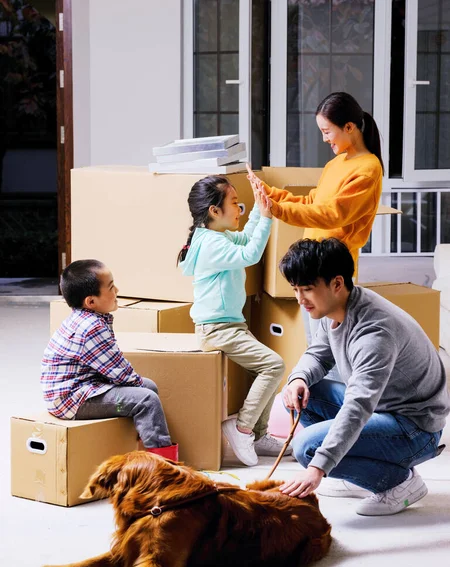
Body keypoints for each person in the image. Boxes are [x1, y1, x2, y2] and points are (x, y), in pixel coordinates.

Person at [277, 238, 449, 516]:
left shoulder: (374, 332)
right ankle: (359, 473)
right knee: (301, 394)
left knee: (308, 447)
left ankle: (399, 483)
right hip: (384, 408)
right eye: (296, 289)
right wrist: (298, 378)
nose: (300, 299)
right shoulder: (332, 307)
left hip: (415, 427)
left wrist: (318, 467)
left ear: (336, 283)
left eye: (307, 289)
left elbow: (357, 407)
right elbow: (319, 354)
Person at [247, 92, 384, 360]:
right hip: (312, 263)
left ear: (349, 127)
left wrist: (276, 209)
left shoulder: (368, 169)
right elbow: (313, 201)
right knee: (315, 348)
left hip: (332, 268)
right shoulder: (336, 164)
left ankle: (338, 401)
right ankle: (317, 400)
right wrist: (270, 193)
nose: (324, 139)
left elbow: (332, 215)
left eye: (327, 131)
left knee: (329, 354)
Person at [178, 175, 288, 467]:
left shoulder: (217, 235)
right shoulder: (212, 244)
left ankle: (259, 433)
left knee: (262, 368)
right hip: (217, 328)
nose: (239, 210)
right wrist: (265, 218)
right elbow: (251, 253)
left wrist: (257, 212)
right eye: (236, 204)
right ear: (215, 211)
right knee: (274, 365)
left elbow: (247, 239)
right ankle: (241, 427)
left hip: (229, 325)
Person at [41, 259, 178, 461]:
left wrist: (142, 386)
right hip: (73, 399)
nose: (117, 290)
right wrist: (141, 388)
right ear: (91, 301)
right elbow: (120, 372)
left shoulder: (85, 317)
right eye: (111, 287)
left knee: (148, 388)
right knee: (147, 399)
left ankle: (145, 448)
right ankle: (165, 470)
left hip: (78, 388)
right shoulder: (91, 327)